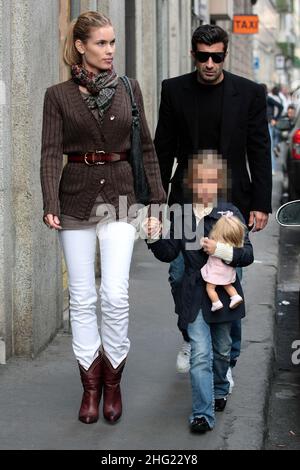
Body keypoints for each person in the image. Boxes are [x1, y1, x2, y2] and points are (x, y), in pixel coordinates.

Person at [40, 11, 165, 425]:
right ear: (81, 46)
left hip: (121, 197)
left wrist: (158, 202)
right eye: (102, 43)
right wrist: (49, 202)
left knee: (113, 294)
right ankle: (90, 387)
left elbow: (145, 147)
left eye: (113, 43)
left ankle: (113, 381)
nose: (110, 50)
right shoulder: (57, 95)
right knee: (82, 296)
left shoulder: (129, 89)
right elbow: (49, 153)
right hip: (74, 196)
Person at [154, 24, 272, 379]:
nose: (209, 63)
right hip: (187, 202)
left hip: (232, 203)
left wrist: (261, 203)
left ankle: (226, 357)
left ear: (224, 55)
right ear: (193, 55)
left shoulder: (249, 93)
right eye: (203, 57)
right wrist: (156, 203)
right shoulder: (174, 91)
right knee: (180, 275)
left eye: (216, 57)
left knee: (228, 277)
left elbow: (259, 149)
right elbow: (162, 150)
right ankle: (191, 338)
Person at [146, 152, 254, 433]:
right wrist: (154, 236)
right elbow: (169, 252)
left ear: (218, 185)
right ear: (192, 183)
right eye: (200, 181)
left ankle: (220, 388)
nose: (206, 187)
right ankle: (202, 414)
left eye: (211, 182)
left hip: (223, 296)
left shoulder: (229, 214)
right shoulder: (181, 215)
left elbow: (248, 254)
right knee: (201, 354)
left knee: (221, 350)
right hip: (193, 295)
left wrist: (219, 249)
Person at [200, 214, 245, 312]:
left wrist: (202, 240)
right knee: (228, 285)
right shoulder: (234, 245)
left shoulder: (213, 243)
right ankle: (235, 296)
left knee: (210, 288)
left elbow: (203, 244)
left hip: (215, 271)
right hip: (227, 272)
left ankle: (216, 302)